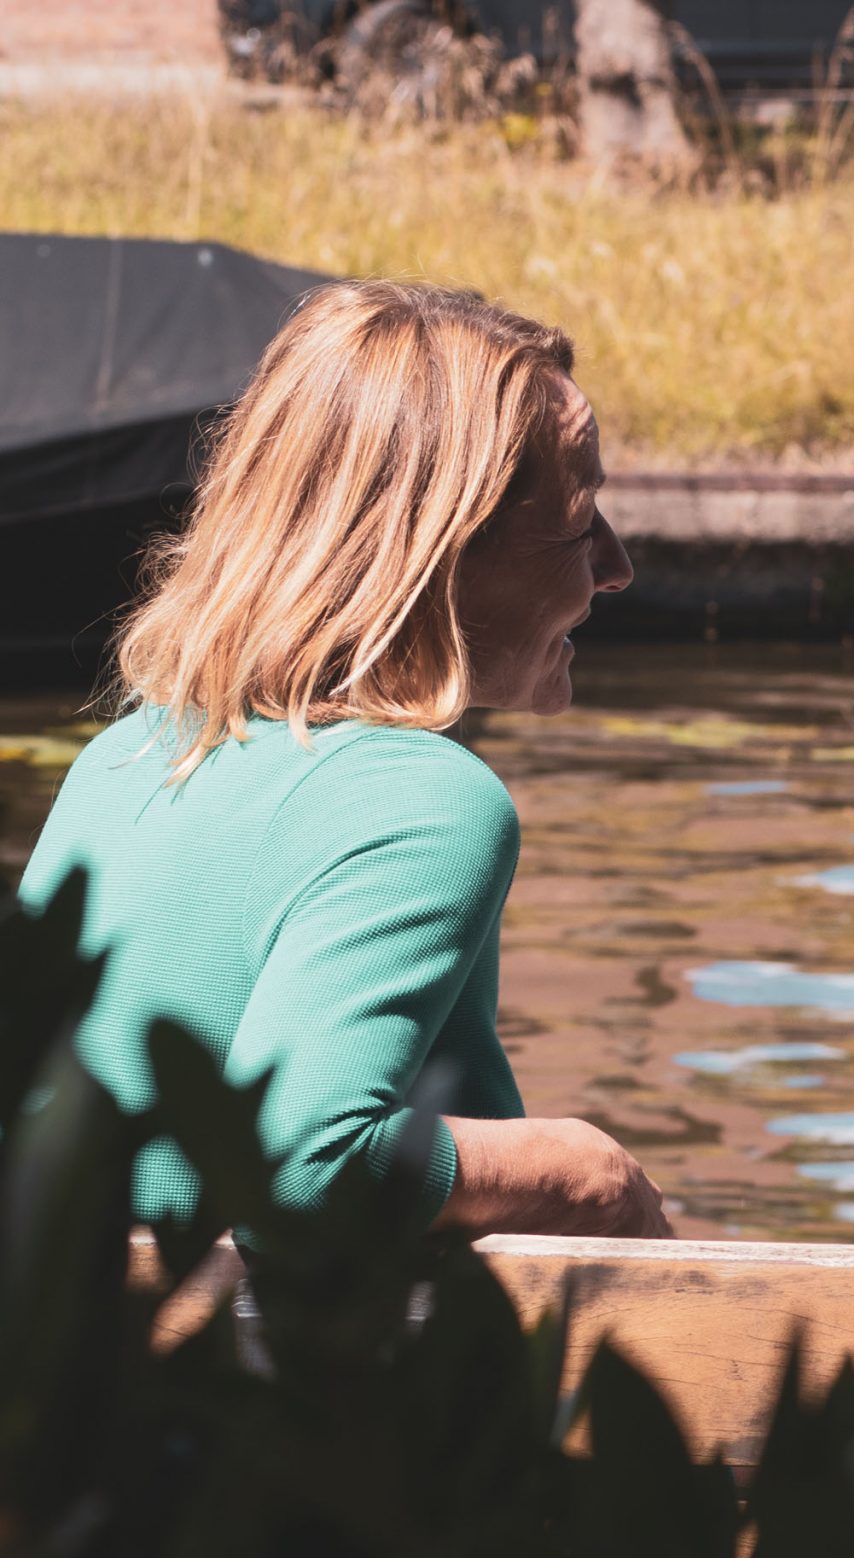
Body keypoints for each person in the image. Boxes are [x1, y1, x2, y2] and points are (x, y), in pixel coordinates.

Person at [14, 280, 670, 1238]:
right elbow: (297, 1165)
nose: (616, 567)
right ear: (443, 555)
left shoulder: (123, 758)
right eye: (580, 522)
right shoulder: (427, 800)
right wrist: (579, 1165)